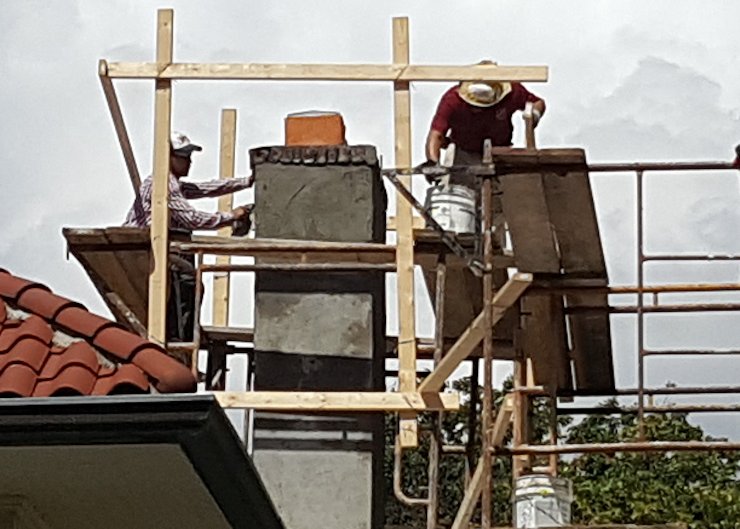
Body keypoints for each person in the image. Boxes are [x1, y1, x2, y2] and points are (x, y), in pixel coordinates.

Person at [123, 131, 254, 342]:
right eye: (184, 157)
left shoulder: (171, 183)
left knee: (186, 282)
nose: (189, 162)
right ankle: (177, 338)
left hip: (151, 249)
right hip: (142, 250)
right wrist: (231, 216)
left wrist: (246, 181)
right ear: (169, 157)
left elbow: (204, 188)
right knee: (188, 283)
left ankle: (180, 334)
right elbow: (192, 219)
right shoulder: (163, 183)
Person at [423, 60, 546, 180]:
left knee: (504, 195)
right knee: (462, 195)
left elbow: (537, 102)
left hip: (501, 153)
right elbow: (436, 134)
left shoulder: (512, 92)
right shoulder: (452, 100)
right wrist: (432, 162)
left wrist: (534, 114)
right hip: (465, 154)